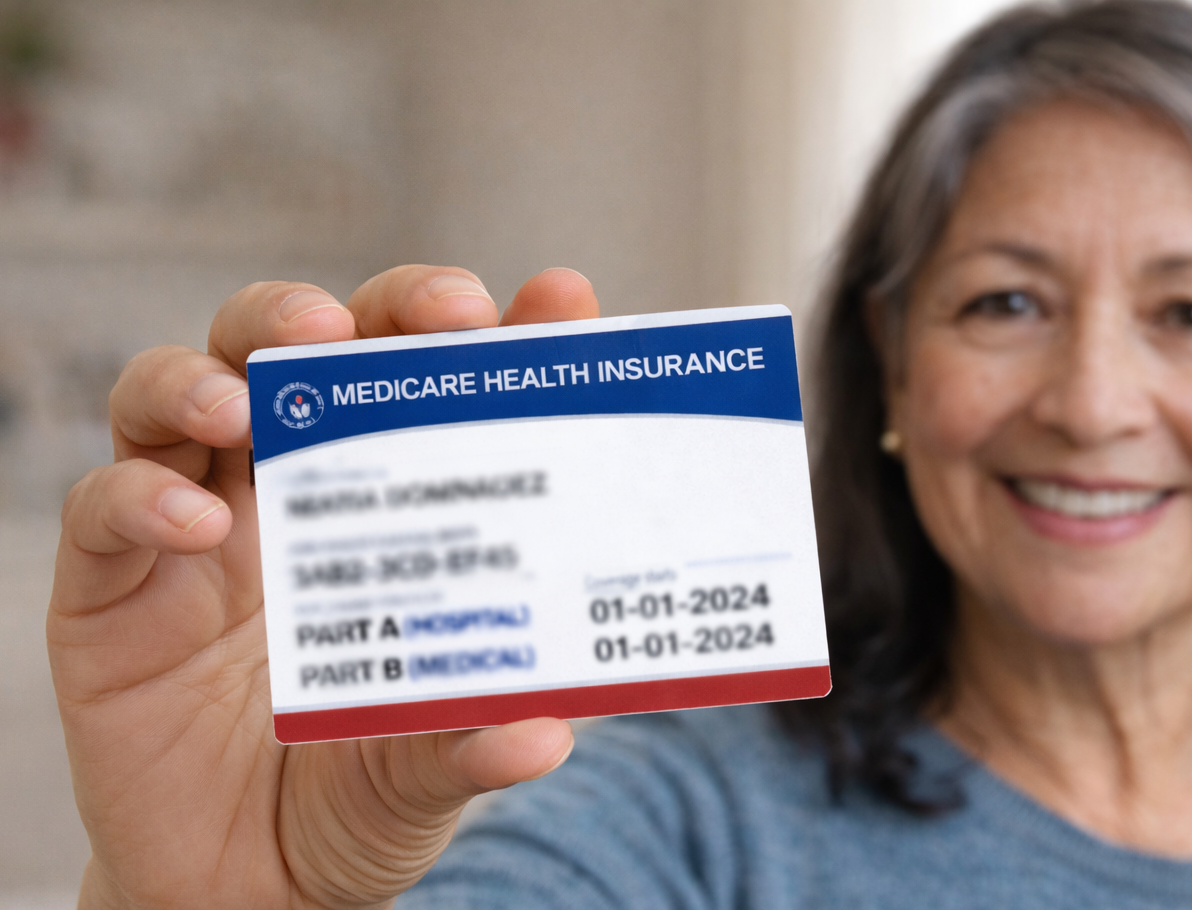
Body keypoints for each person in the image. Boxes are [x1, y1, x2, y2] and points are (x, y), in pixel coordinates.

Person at [46, 1, 1192, 907]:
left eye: (1185, 312)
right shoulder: (680, 822)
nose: (1091, 405)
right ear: (892, 356)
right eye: (1003, 302)